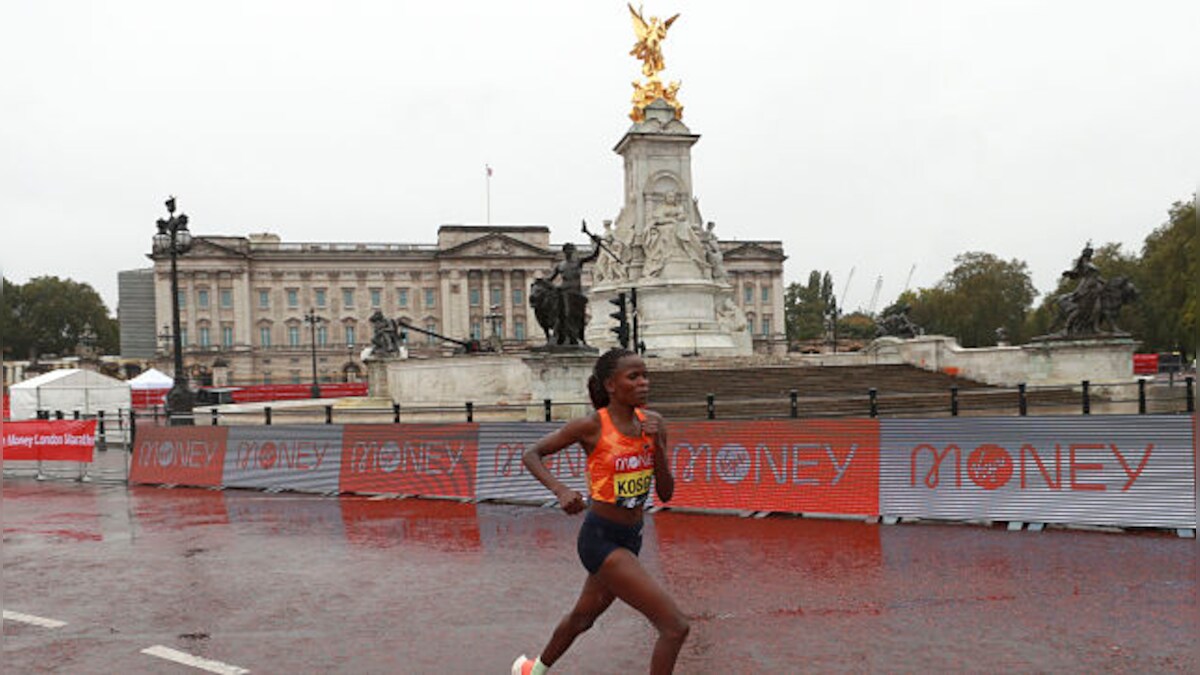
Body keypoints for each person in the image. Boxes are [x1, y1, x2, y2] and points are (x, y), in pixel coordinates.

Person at [512, 348, 689, 674]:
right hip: (600, 539)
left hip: (631, 537)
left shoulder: (655, 424)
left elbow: (665, 493)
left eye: (645, 375)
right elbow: (532, 453)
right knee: (675, 626)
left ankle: (532, 670)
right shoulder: (591, 426)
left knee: (583, 617)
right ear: (610, 385)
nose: (643, 383)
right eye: (633, 377)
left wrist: (658, 447)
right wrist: (561, 490)